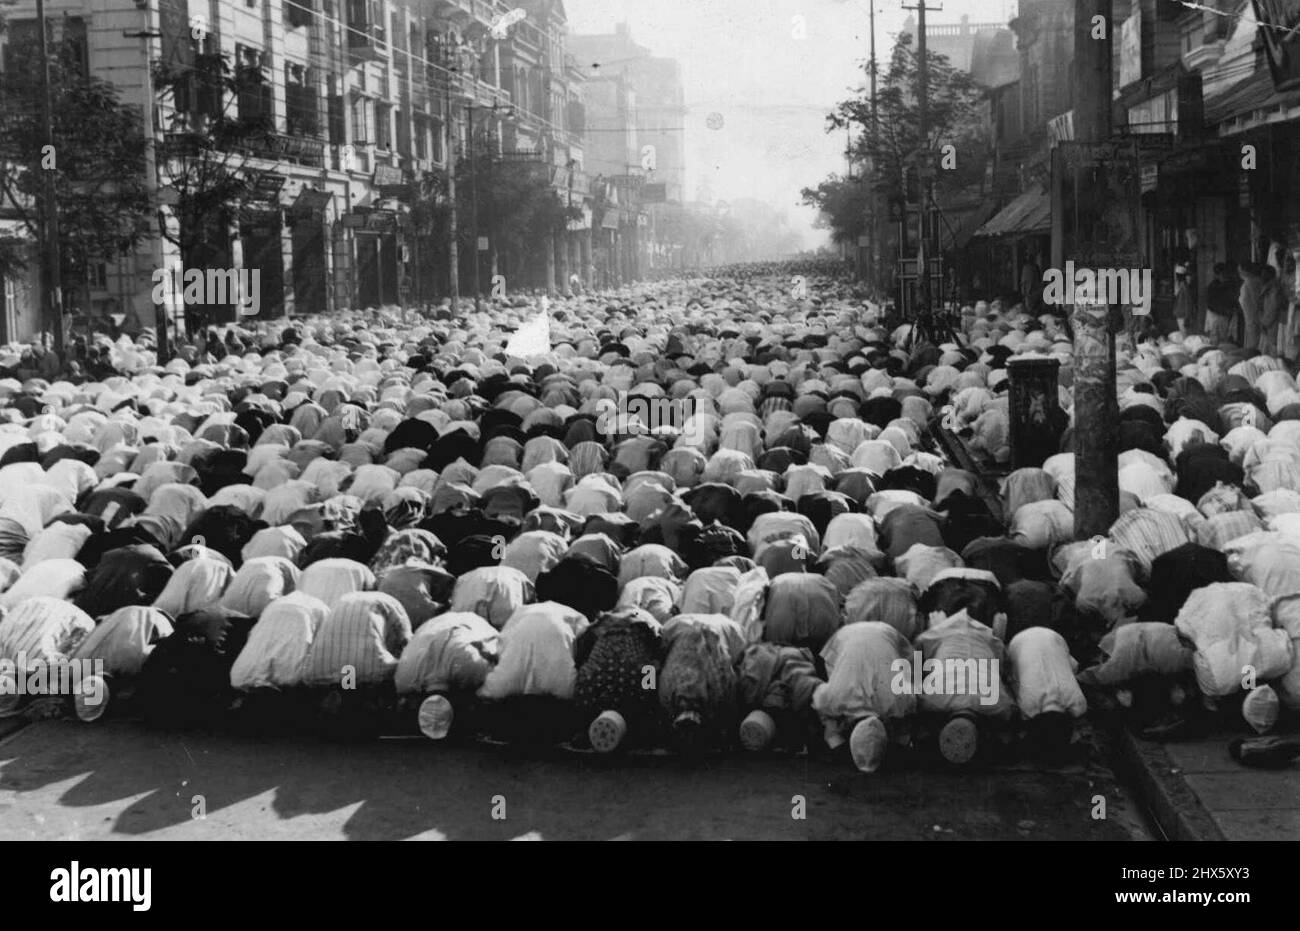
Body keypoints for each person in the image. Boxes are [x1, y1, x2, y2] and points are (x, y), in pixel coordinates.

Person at [1204, 262, 1239, 346]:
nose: (1223, 275)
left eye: (1225, 273)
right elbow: (1210, 303)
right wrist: (1224, 311)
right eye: (1220, 273)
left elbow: (1235, 300)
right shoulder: (1213, 286)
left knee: (1226, 338)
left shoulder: (1232, 284)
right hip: (1215, 315)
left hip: (1227, 315)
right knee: (1214, 339)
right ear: (1216, 274)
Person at [1259, 264, 1283, 357]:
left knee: (1272, 353)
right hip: (1269, 324)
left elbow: (1273, 308)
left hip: (1272, 325)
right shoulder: (1269, 287)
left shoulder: (1273, 289)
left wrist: (1264, 323)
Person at [1238, 262, 1263, 351]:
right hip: (1249, 318)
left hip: (1254, 319)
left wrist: (1258, 319)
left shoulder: (1252, 282)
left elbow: (1256, 301)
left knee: (1254, 345)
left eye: (1240, 270)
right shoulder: (1248, 282)